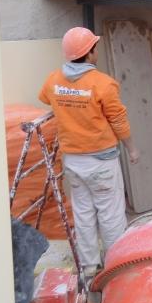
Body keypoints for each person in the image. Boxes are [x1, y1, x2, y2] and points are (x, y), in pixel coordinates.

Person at [39, 27, 140, 280]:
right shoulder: (103, 84)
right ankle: (117, 265)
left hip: (73, 161)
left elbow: (46, 98)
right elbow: (119, 122)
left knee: (83, 213)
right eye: (95, 47)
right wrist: (132, 149)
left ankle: (89, 266)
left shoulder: (54, 80)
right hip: (101, 162)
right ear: (90, 53)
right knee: (111, 213)